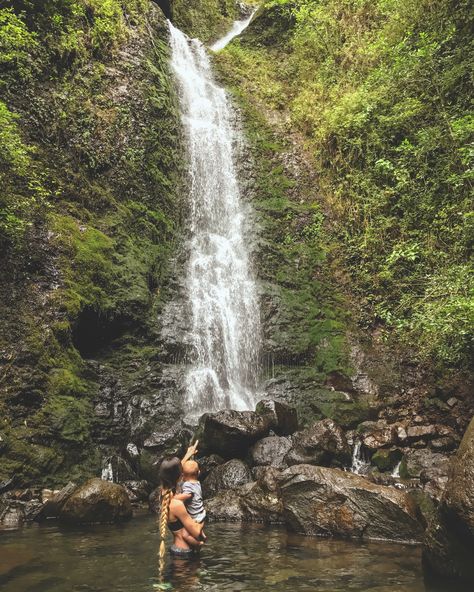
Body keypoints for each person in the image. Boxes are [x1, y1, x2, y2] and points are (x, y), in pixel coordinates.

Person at [158, 441, 205, 571]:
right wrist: (201, 520)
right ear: (181, 476)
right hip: (185, 553)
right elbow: (196, 532)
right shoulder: (177, 505)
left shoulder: (163, 494)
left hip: (177, 549)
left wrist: (188, 454)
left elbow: (173, 472)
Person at [174, 459, 206, 540]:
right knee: (196, 531)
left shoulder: (187, 485)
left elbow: (187, 495)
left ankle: (198, 544)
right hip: (201, 513)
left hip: (195, 516)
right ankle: (202, 536)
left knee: (185, 535)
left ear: (183, 475)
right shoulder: (197, 483)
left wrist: (174, 498)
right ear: (198, 472)